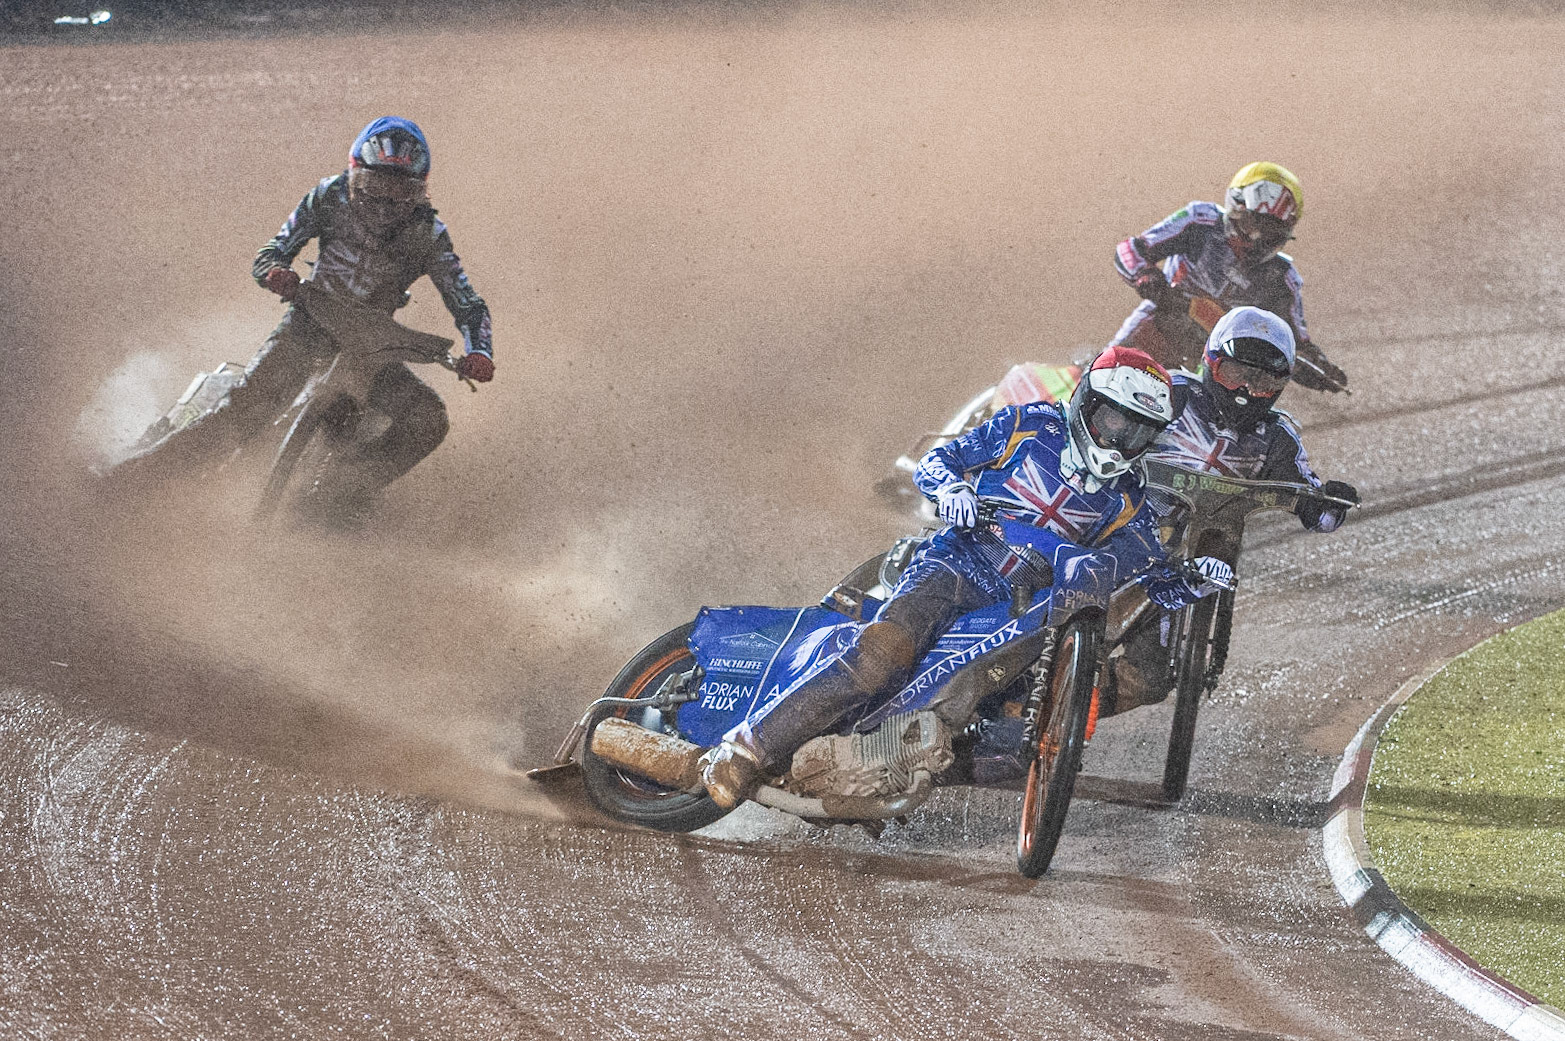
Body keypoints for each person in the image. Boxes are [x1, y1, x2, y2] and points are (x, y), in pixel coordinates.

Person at [700, 347, 1234, 808]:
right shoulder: (1028, 425)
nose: (1120, 441)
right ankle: (746, 748)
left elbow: (1143, 575)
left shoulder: (1132, 502)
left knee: (1000, 704)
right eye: (1114, 421)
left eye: (1139, 433)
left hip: (1023, 607)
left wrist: (1192, 580)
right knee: (880, 655)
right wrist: (951, 488)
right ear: (1086, 404)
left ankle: (889, 760)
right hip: (956, 563)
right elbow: (939, 459)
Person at [108, 116, 494, 517]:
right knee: (244, 410)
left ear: (418, 192)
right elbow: (270, 253)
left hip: (373, 349)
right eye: (375, 188)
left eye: (398, 192)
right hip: (310, 326)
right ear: (355, 178)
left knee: (427, 419)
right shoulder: (329, 196)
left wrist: (479, 351)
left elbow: (467, 303)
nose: (384, 204)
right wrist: (277, 274)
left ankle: (331, 502)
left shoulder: (428, 234)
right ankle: (134, 480)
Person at [1105, 305, 1359, 712]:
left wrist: (1328, 505)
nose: (1244, 391)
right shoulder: (1171, 393)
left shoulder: (1278, 438)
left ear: (1279, 386)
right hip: (1115, 528)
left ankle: (1065, 714)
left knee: (1149, 682)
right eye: (1235, 373)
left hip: (1195, 561)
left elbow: (1317, 510)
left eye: (1260, 381)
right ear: (1210, 362)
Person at [1109, 161, 1348, 392]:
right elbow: (1130, 249)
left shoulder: (1283, 278)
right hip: (1159, 324)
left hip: (1216, 363)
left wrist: (1318, 366)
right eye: (1255, 224)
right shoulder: (1200, 220)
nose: (1258, 240)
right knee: (1107, 372)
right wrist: (1147, 277)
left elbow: (1297, 342)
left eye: (1271, 233)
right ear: (1236, 206)